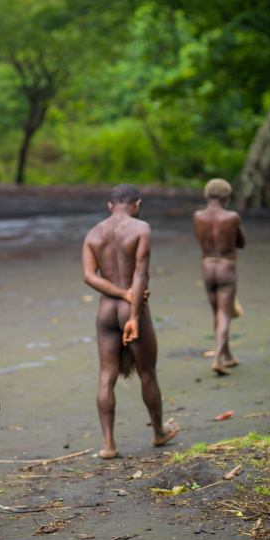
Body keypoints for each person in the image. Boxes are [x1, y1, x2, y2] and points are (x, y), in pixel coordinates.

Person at [82, 184, 179, 459]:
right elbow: (140, 276)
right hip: (131, 306)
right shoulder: (141, 228)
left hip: (105, 311)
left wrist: (118, 292)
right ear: (137, 204)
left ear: (111, 205)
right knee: (147, 372)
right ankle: (159, 432)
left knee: (106, 376)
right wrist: (133, 313)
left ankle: (108, 445)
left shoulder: (93, 233)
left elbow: (89, 276)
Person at [193, 178, 246, 376]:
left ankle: (228, 355)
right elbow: (241, 243)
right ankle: (217, 360)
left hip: (207, 265)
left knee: (217, 312)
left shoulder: (198, 216)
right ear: (226, 197)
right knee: (224, 314)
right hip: (226, 267)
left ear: (206, 196)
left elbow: (200, 238)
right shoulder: (232, 217)